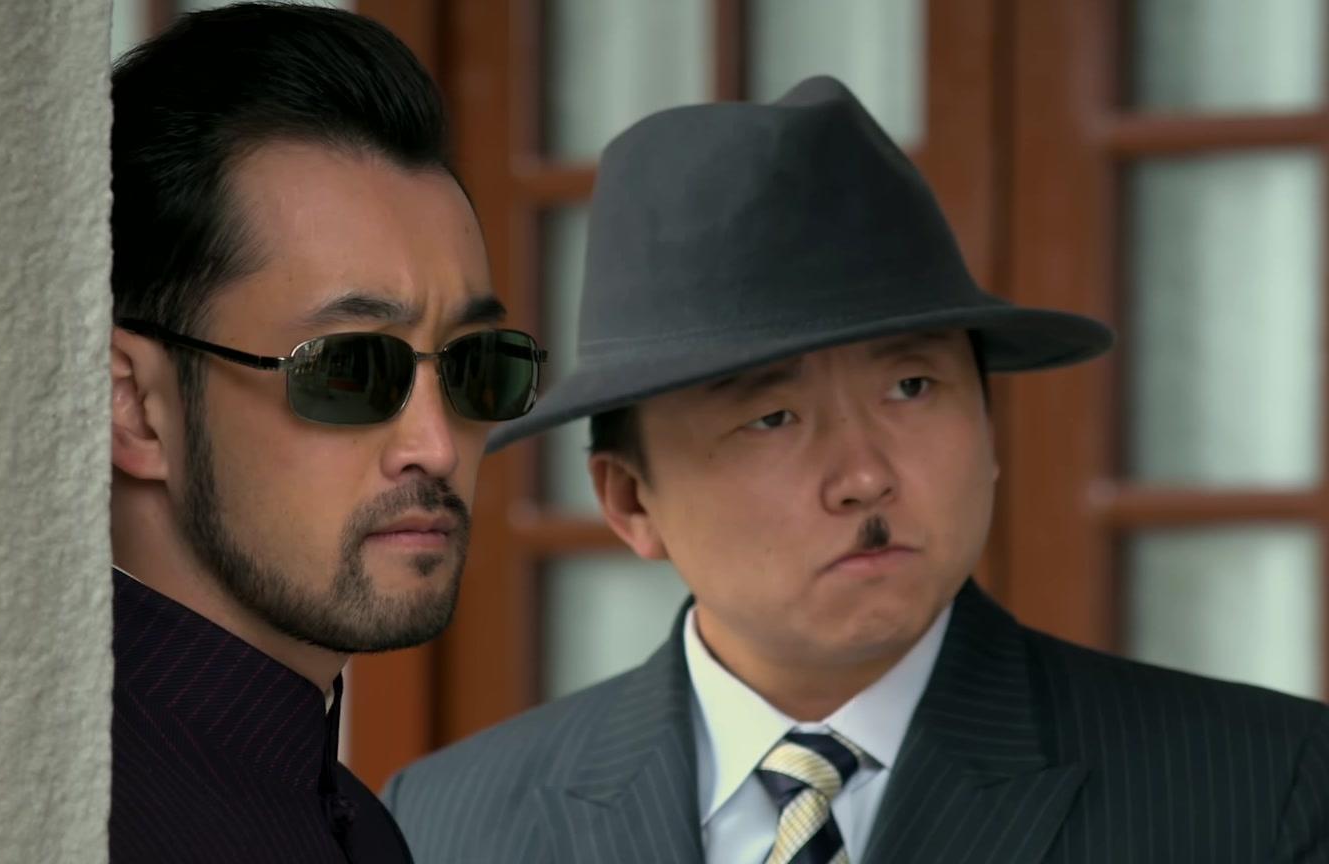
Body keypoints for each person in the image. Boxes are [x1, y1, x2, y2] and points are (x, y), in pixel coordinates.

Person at [382, 77, 1329, 863]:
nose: (866, 476)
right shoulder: (445, 826)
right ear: (631, 501)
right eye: (772, 417)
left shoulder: (1262, 790)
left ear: (990, 431)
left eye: (912, 387)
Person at [106, 5, 546, 861]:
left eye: (474, 366)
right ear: (135, 405)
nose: (436, 445)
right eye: (348, 368)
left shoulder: (359, 825)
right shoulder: (39, 816)